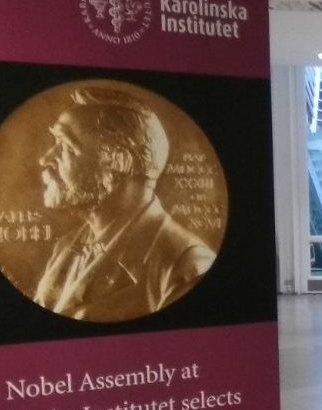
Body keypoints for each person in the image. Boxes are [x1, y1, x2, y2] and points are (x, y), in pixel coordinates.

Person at [32, 86, 215, 322]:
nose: (45, 159)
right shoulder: (65, 248)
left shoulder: (186, 267)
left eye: (66, 146)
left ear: (119, 162)